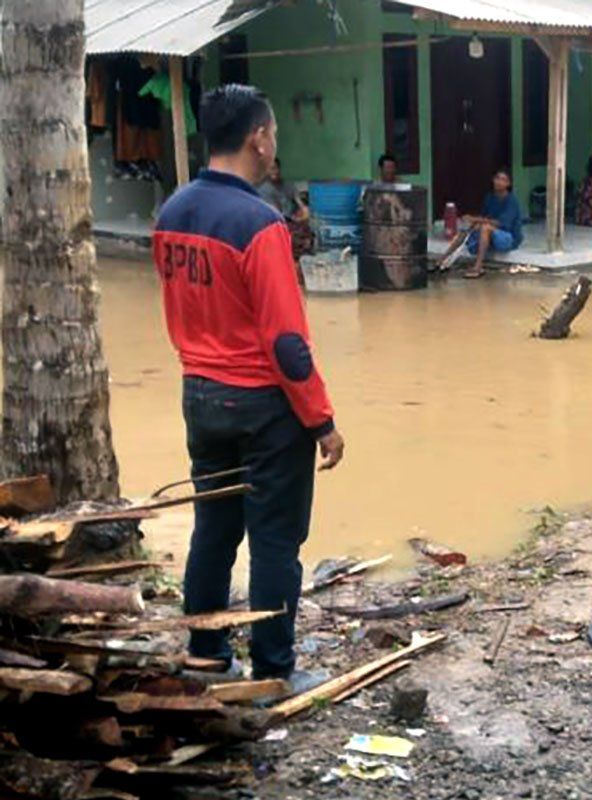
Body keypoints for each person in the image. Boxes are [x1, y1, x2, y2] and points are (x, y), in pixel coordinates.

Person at [152, 84, 345, 687]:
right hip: (263, 404)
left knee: (213, 530)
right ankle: (273, 670)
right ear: (258, 137)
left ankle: (205, 653)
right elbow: (287, 344)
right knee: (275, 542)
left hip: (200, 394)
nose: (274, 148)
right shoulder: (259, 224)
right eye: (274, 136)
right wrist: (322, 422)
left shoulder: (171, 213)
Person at [461, 168, 523, 279]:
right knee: (469, 228)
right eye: (497, 178)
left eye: (503, 180)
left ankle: (478, 267)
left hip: (509, 238)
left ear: (508, 184)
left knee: (485, 227)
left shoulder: (511, 201)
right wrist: (474, 223)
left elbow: (501, 224)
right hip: (493, 235)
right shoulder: (490, 197)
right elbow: (485, 217)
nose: (499, 182)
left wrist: (476, 219)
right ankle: (443, 260)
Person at [258, 158, 314, 264]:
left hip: (292, 221)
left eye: (276, 168)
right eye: (271, 169)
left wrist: (304, 211)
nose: (274, 172)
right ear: (266, 171)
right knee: (296, 238)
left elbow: (300, 204)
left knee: (310, 232)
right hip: (278, 224)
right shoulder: (264, 190)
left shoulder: (288, 185)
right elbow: (276, 215)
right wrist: (296, 219)